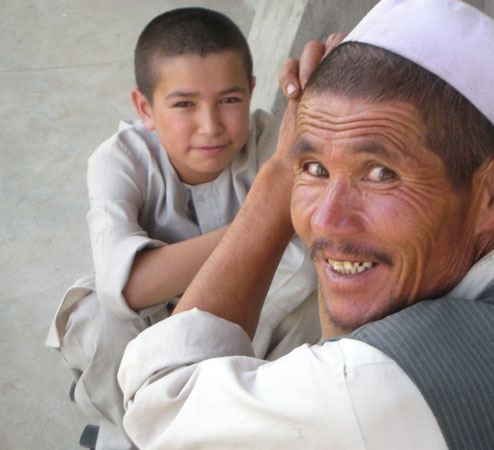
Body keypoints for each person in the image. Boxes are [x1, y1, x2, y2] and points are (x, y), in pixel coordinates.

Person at [118, 0, 494, 448]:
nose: (327, 219)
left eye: (380, 174)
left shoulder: (379, 380)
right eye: (314, 168)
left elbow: (161, 408)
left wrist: (282, 171)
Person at [45, 7, 320, 450]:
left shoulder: (274, 144)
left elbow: (303, 267)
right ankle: (138, 437)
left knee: (307, 296)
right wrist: (261, 223)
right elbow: (130, 287)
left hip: (249, 325)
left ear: (251, 93)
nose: (210, 126)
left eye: (229, 100)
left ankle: (243, 432)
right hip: (147, 327)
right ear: (144, 107)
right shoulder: (120, 159)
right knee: (94, 316)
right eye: (184, 104)